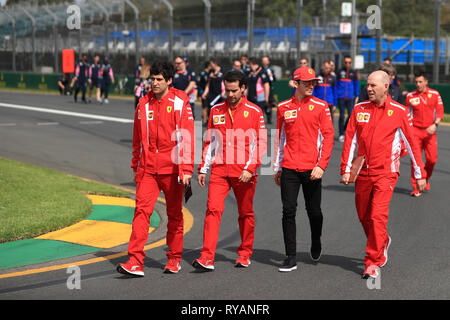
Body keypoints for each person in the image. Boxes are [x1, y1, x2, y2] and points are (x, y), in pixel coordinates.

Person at [340, 70, 426, 280]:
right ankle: (382, 240)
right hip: (362, 173)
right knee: (364, 215)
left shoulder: (399, 111)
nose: (368, 89)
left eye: (373, 85)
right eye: (367, 85)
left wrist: (419, 173)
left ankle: (372, 261)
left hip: (386, 173)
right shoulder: (359, 109)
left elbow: (412, 144)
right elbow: (350, 140)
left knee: (377, 216)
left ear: (386, 87)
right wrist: (345, 169)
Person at [116, 61, 195, 277]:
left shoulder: (181, 103)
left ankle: (174, 259)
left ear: (169, 81)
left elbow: (187, 138)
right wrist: (135, 166)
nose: (155, 83)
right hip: (148, 170)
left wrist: (187, 169)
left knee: (174, 215)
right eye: (153, 79)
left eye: (160, 79)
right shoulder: (143, 104)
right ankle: (135, 261)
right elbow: (136, 140)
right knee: (141, 213)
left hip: (173, 170)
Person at [193, 70, 267, 271]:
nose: (231, 94)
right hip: (219, 170)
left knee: (245, 213)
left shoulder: (255, 111)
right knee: (212, 210)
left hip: (244, 172)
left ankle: (245, 253)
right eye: (228, 90)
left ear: (243, 88)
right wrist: (203, 168)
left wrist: (250, 169)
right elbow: (209, 141)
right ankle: (206, 257)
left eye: (235, 90)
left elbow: (260, 143)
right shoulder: (216, 110)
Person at [273, 66, 335, 272]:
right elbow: (280, 138)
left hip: (312, 169)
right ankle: (290, 256)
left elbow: (328, 137)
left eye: (313, 82)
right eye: (306, 82)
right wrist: (277, 167)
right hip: (289, 167)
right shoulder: (282, 107)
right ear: (295, 83)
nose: (311, 85)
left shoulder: (321, 106)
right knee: (288, 210)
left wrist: (321, 166)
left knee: (314, 212)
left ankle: (316, 240)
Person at [405, 70, 444, 197]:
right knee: (415, 161)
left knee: (432, 159)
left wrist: (435, 125)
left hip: (430, 131)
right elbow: (407, 114)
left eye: (420, 82)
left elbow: (439, 111)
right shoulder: (410, 96)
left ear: (426, 82)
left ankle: (425, 178)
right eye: (416, 82)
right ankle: (417, 187)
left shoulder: (435, 94)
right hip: (415, 132)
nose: (418, 84)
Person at [336, 56, 360, 142]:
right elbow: (336, 84)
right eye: (346, 62)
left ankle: (346, 130)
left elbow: (356, 85)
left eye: (349, 62)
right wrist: (337, 95)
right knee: (341, 115)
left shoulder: (353, 73)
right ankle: (341, 134)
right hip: (341, 97)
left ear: (351, 63)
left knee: (350, 115)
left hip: (350, 97)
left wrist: (357, 95)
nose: (347, 64)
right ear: (343, 62)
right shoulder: (339, 72)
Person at [246, 57, 270, 123]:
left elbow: (266, 85)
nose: (249, 66)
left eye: (249, 64)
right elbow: (247, 86)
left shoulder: (261, 72)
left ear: (251, 63)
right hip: (250, 98)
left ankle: (260, 132)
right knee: (250, 117)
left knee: (258, 117)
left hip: (259, 98)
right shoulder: (250, 73)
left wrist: (266, 98)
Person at [313, 60, 337, 125]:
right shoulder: (317, 76)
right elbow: (314, 90)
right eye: (326, 68)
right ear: (323, 67)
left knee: (329, 121)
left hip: (329, 103)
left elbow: (335, 91)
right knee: (318, 121)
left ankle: (329, 134)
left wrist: (335, 104)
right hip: (319, 103)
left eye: (329, 68)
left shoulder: (333, 78)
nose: (327, 70)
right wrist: (313, 100)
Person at [201, 58, 225, 123]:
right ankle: (211, 124)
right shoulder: (211, 72)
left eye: (211, 63)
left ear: (215, 63)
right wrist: (204, 93)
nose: (210, 65)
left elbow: (225, 84)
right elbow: (208, 84)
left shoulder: (223, 72)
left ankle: (219, 126)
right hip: (211, 95)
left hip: (219, 96)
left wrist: (223, 93)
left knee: (219, 112)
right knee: (210, 111)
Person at [262, 55, 277, 124]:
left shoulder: (270, 69)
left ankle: (269, 119)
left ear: (268, 61)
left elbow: (274, 79)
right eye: (263, 60)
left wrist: (272, 76)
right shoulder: (260, 69)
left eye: (266, 60)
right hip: (261, 89)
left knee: (269, 104)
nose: (264, 62)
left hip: (269, 89)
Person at [198, 61, 212, 125]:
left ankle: (209, 119)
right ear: (208, 66)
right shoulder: (203, 74)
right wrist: (200, 94)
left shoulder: (211, 73)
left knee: (210, 107)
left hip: (210, 93)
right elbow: (199, 85)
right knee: (205, 107)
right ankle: (205, 120)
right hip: (204, 92)